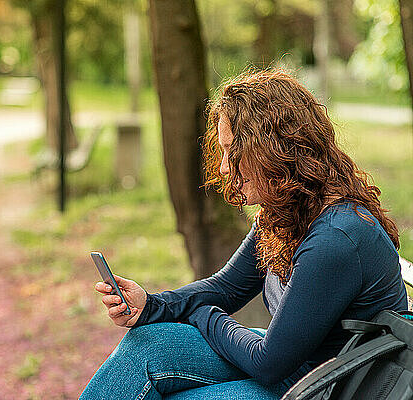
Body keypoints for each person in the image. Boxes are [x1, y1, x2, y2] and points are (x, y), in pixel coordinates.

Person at [78, 69, 409, 400]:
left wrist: (202, 315)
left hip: (326, 387)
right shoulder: (287, 211)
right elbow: (227, 287)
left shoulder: (336, 237)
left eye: (231, 151)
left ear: (273, 149)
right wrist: (150, 306)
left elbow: (267, 363)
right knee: (146, 345)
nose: (223, 167)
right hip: (295, 367)